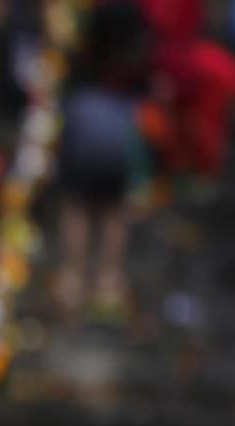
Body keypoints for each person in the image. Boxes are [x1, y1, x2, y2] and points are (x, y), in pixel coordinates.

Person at [54, 0, 149, 315]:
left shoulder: (88, 22)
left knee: (77, 204)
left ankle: (73, 278)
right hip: (122, 125)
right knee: (114, 208)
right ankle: (108, 280)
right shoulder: (136, 23)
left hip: (85, 120)